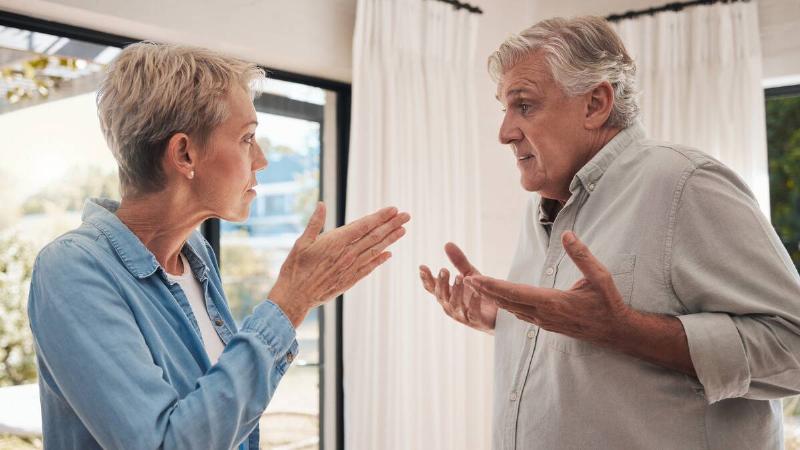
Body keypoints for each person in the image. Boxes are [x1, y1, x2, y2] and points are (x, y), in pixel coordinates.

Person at [420, 16, 800, 449]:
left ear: (596, 103)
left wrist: (624, 329)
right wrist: (506, 320)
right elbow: (585, 353)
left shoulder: (683, 184)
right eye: (504, 108)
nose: (505, 132)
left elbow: (793, 347)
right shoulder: (542, 208)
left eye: (523, 105)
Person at [28, 42, 410, 450]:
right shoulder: (72, 271)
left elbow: (222, 421)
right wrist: (288, 305)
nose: (260, 159)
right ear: (185, 153)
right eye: (247, 138)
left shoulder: (196, 258)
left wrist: (296, 303)